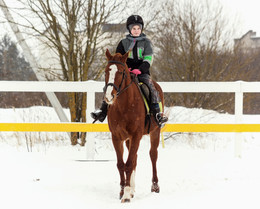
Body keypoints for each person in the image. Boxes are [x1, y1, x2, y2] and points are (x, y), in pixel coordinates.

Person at [91, 15, 168, 127]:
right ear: (129, 29)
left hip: (142, 73)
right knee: (110, 87)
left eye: (138, 28)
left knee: (150, 88)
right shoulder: (123, 43)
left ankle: (157, 114)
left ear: (141, 29)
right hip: (125, 72)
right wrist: (126, 68)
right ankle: (103, 111)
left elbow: (148, 59)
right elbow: (117, 60)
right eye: (133, 28)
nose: (136, 31)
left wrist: (140, 70)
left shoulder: (147, 43)